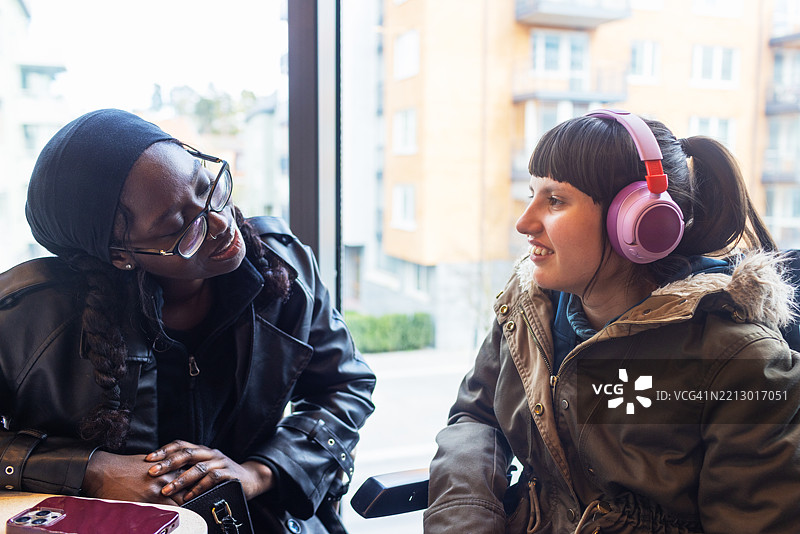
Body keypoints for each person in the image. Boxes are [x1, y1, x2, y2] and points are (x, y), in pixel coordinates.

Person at [423, 109, 800, 533]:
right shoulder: (528, 309)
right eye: (531, 194)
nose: (524, 222)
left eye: (554, 200)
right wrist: (465, 518)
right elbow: (477, 417)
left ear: (641, 220)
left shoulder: (742, 365)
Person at [0, 109, 376, 533]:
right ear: (121, 255)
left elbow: (346, 385)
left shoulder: (284, 267)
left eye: (208, 187)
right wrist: (90, 470)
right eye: (180, 225)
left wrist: (259, 472)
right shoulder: (31, 314)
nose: (221, 222)